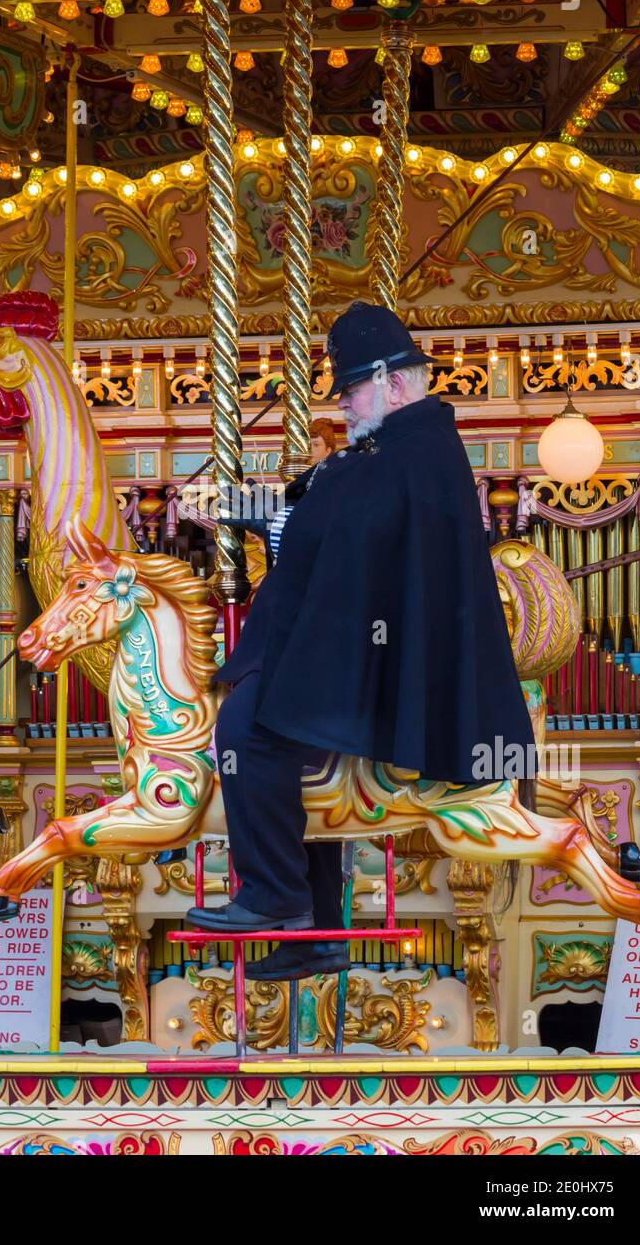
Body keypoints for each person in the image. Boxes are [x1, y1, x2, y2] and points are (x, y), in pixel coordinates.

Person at [186, 301, 535, 981]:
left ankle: (272, 894)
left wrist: (266, 517)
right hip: (353, 640)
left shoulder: (409, 449)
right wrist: (255, 510)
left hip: (360, 647)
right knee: (280, 725)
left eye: (350, 389)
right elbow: (329, 521)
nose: (344, 404)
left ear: (391, 380)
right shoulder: (404, 445)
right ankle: (312, 931)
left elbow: (334, 535)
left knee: (246, 727)